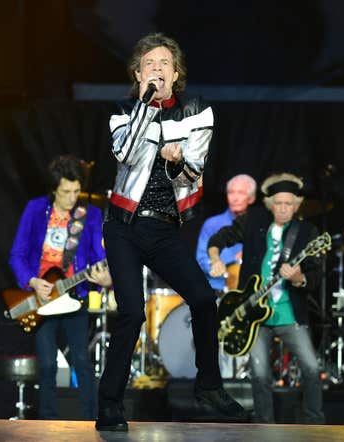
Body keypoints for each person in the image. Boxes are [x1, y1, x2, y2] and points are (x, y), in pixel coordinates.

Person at [95, 32, 246, 431]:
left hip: (162, 229)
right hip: (124, 226)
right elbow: (124, 154)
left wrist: (177, 162)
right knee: (131, 313)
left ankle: (209, 386)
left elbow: (194, 172)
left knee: (202, 297)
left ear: (176, 73)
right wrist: (146, 106)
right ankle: (110, 404)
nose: (156, 69)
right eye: (149, 64)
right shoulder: (123, 109)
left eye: (164, 63)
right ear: (137, 73)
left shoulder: (197, 111)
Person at [207, 172, 325, 424]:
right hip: (254, 315)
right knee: (259, 374)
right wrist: (215, 258)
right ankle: (263, 428)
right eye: (279, 203)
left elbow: (315, 277)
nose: (283, 209)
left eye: (289, 204)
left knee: (312, 369)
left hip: (289, 314)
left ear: (296, 205)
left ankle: (315, 425)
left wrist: (297, 277)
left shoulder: (307, 232)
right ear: (270, 204)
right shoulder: (254, 222)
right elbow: (219, 238)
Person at [9, 155, 112, 420]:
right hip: (41, 298)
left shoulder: (90, 215)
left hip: (74, 297)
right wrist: (31, 281)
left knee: (82, 361)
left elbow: (98, 259)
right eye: (66, 192)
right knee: (46, 365)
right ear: (54, 189)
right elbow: (17, 254)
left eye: (77, 192)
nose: (72, 198)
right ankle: (47, 424)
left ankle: (91, 421)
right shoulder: (35, 209)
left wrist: (105, 278)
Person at [196, 174, 257, 293]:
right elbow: (201, 259)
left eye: (241, 193)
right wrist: (226, 263)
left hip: (251, 290)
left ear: (252, 198)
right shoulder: (212, 224)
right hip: (217, 289)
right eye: (231, 192)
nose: (235, 198)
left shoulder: (258, 223)